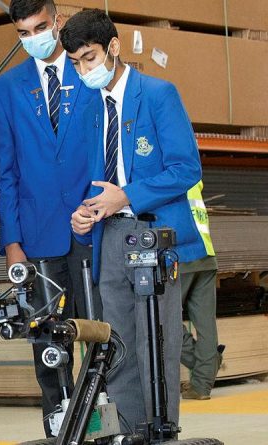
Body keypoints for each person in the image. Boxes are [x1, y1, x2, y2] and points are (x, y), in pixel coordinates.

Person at [63, 9, 206, 432]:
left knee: (156, 344)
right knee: (118, 345)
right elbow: (97, 178)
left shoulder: (158, 94)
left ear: (113, 47)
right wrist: (86, 212)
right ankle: (128, 434)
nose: (84, 69)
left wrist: (126, 195)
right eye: (75, 63)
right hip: (111, 239)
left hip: (153, 237)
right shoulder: (91, 110)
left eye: (89, 57)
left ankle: (161, 434)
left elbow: (186, 169)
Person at [0, 0, 101, 436]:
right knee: (46, 334)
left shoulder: (89, 72)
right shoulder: (6, 89)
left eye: (40, 27)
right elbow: (8, 171)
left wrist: (96, 208)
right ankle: (58, 419)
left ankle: (102, 410)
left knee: (99, 327)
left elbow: (106, 150)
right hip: (37, 237)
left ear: (57, 22)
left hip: (92, 227)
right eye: (22, 33)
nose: (33, 38)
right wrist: (12, 240)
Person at [180, 181, 224, 400]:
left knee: (163, 321)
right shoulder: (194, 181)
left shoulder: (170, 180)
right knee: (206, 324)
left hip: (182, 256)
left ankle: (202, 368)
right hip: (207, 255)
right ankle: (201, 386)